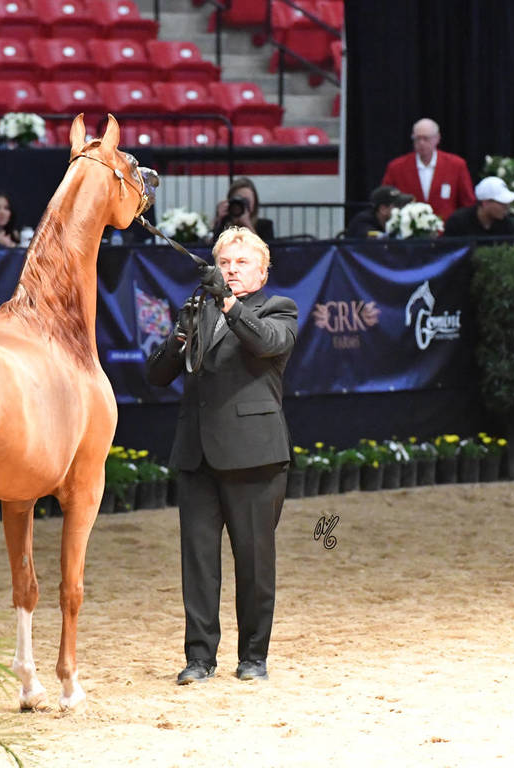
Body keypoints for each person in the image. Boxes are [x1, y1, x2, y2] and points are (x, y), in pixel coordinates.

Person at [145, 226, 298, 686]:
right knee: (198, 562)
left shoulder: (278, 308)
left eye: (242, 263)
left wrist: (229, 306)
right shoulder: (198, 310)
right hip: (197, 454)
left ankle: (253, 656)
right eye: (225, 264)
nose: (232, 271)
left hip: (254, 455)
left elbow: (267, 342)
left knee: (254, 562)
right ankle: (199, 658)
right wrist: (177, 340)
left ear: (262, 271)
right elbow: (156, 375)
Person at [381, 118, 475, 222]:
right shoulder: (396, 167)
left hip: (446, 233)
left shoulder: (456, 165)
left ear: (437, 138)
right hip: (409, 232)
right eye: (417, 139)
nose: (421, 143)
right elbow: (385, 201)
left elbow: (467, 203)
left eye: (426, 138)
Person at [443, 176, 514, 239]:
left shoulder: (507, 225)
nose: (507, 207)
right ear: (485, 203)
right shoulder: (458, 222)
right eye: (501, 203)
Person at [211, 177, 275, 242]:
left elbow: (266, 250)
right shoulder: (223, 223)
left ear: (254, 203)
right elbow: (211, 247)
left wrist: (247, 224)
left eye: (246, 201)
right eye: (238, 200)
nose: (241, 205)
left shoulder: (265, 226)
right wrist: (218, 221)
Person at [344, 185, 414, 238]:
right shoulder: (362, 223)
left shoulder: (400, 222)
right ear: (383, 209)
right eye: (399, 206)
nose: (404, 209)